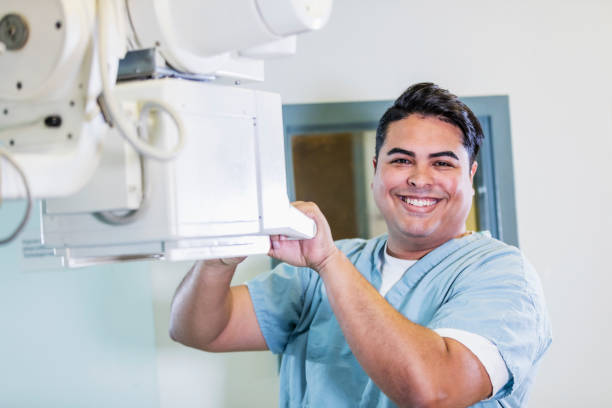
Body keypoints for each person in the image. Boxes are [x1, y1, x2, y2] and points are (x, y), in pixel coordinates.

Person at [169, 83, 552, 407]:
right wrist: (220, 259)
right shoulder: (332, 266)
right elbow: (199, 330)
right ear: (376, 171)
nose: (419, 179)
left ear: (470, 174)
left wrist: (328, 263)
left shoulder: (502, 276)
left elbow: (433, 391)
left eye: (442, 163)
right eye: (401, 160)